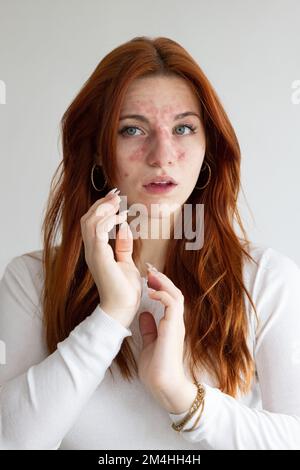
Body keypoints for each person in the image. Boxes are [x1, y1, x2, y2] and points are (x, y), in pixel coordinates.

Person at [0, 36, 300, 450]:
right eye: (133, 129)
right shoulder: (31, 281)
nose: (162, 155)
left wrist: (180, 394)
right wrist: (111, 315)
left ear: (207, 148)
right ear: (99, 154)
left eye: (183, 128)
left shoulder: (268, 279)